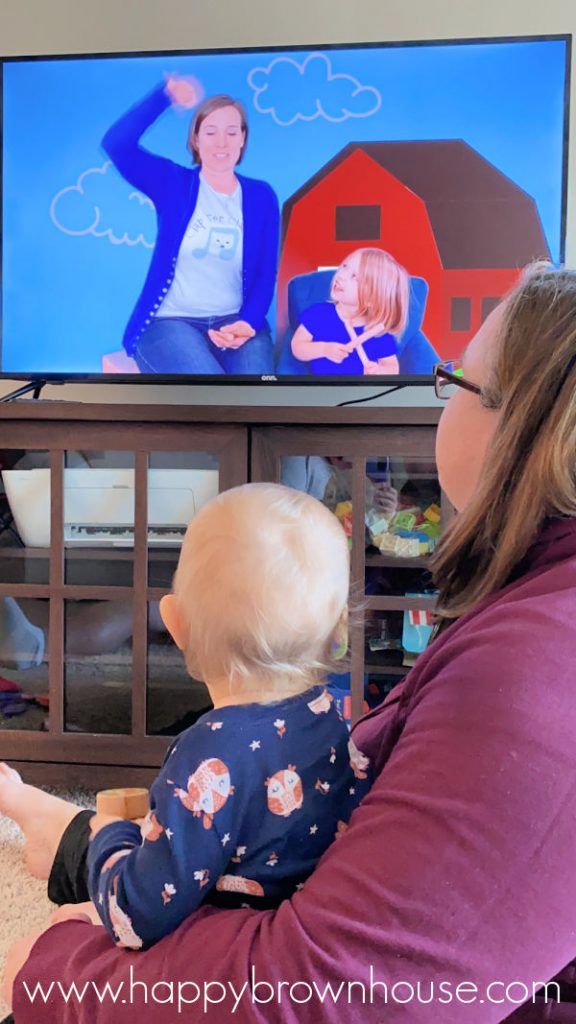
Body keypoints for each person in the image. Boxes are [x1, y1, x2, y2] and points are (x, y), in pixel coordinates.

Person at [4, 266, 576, 1022]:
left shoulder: (533, 673)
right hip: (261, 884)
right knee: (98, 846)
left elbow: (322, 992)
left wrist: (55, 972)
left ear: (526, 428)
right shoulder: (531, 614)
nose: (442, 396)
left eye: (453, 380)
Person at [1, 484, 371, 951]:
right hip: (277, 926)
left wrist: (109, 837)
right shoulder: (330, 718)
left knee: (43, 949)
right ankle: (49, 826)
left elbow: (138, 912)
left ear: (174, 623)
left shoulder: (208, 753)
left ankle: (73, 832)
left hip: (217, 950)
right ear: (339, 634)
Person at [102, 76, 280, 374]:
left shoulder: (261, 196)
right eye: (210, 132)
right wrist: (164, 96)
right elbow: (117, 145)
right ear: (196, 139)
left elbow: (265, 273)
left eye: (231, 132)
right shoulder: (173, 183)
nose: (221, 142)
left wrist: (247, 323)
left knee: (258, 397)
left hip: (235, 320)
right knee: (210, 395)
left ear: (242, 139)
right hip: (170, 323)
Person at [290, 248, 408, 376]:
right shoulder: (319, 314)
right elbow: (297, 346)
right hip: (323, 390)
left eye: (355, 277)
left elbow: (392, 367)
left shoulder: (377, 331)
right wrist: (324, 349)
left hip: (361, 392)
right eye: (344, 266)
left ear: (371, 298)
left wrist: (379, 371)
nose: (341, 275)